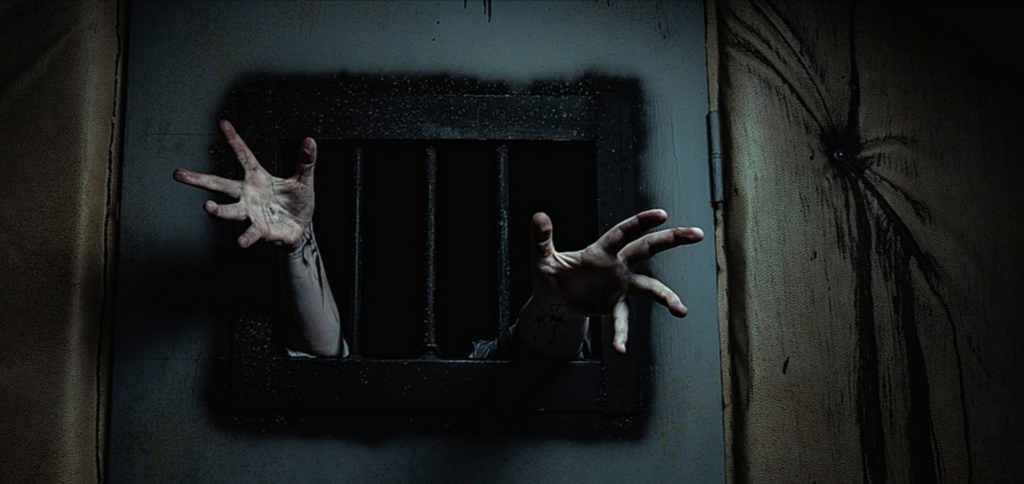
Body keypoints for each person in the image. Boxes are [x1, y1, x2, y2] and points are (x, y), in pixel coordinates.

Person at [173, 120, 704, 360]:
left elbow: (523, 371)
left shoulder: (499, 362)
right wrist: (296, 243)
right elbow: (326, 359)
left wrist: (562, 309)